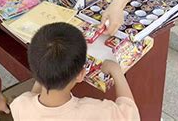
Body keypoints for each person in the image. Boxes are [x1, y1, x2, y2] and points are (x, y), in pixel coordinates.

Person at [10, 22, 140, 120]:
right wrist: (116, 71)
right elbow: (131, 114)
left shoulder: (19, 104)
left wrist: (44, 74)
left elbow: (32, 97)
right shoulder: (96, 112)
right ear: (80, 75)